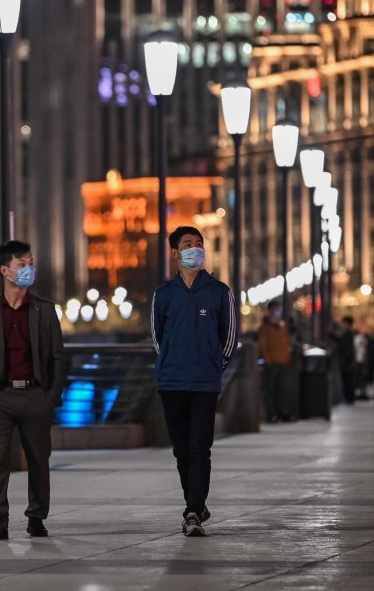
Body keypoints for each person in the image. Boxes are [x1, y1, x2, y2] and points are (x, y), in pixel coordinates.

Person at [0, 240, 67, 540]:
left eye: (31, 262)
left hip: (35, 395)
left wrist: (50, 396)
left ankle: (36, 517)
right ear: (5, 270)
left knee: (38, 460)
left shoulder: (44, 310)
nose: (28, 269)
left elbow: (58, 356)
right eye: (22, 264)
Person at [151, 226, 236, 537]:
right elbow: (158, 338)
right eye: (187, 244)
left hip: (204, 383)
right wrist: (169, 364)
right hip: (171, 383)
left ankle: (192, 510)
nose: (195, 249)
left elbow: (230, 338)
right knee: (182, 450)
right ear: (175, 253)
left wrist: (214, 366)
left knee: (200, 447)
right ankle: (195, 504)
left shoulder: (219, 291)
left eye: (199, 244)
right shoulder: (163, 294)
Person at [257, 299, 293, 423]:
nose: (278, 311)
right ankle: (272, 413)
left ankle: (283, 412)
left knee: (283, 388)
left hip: (284, 361)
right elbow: (263, 345)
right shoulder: (266, 327)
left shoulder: (282, 326)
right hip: (272, 362)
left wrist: (287, 356)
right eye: (276, 309)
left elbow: (286, 342)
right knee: (271, 389)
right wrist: (268, 359)